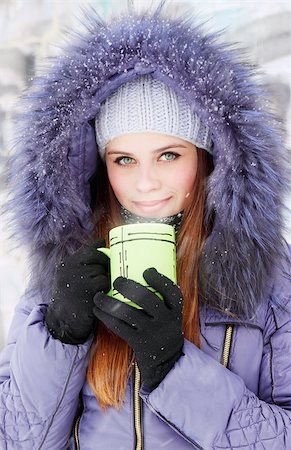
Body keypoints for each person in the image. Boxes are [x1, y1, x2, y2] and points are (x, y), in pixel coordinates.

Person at [0, 2, 290, 449]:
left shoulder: (267, 278)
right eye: (124, 159)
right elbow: (17, 440)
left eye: (169, 155)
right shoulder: (65, 268)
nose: (145, 183)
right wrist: (60, 337)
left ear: (208, 159)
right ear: (101, 165)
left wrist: (174, 369)